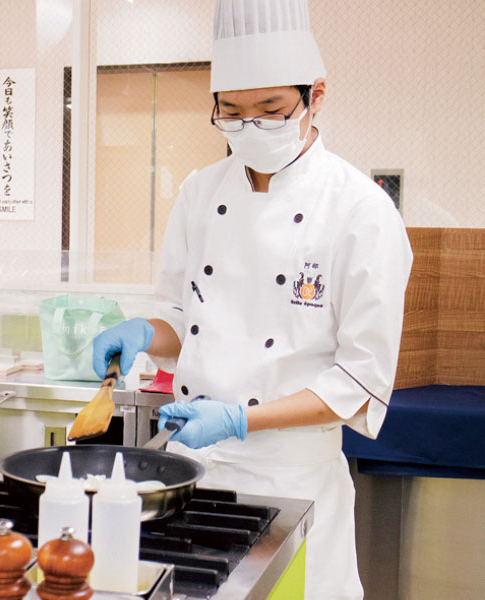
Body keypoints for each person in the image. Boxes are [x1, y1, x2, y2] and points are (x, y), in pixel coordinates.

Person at [91, 1, 412, 598]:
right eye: (231, 113)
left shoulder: (361, 211)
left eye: (270, 110)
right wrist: (143, 329)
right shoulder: (198, 190)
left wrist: (241, 418)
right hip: (195, 472)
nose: (249, 128)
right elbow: (182, 317)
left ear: (315, 96)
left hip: (295, 481)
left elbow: (360, 381)